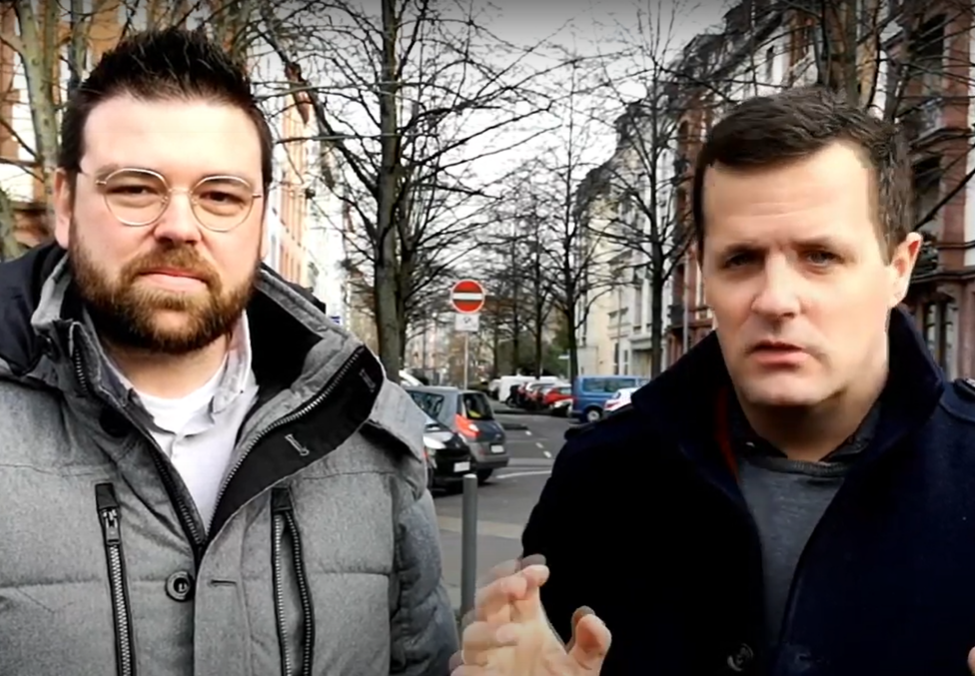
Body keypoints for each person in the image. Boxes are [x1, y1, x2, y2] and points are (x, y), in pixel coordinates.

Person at [455, 86, 975, 676]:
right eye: (741, 259)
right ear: (704, 271)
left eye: (821, 257)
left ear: (898, 268)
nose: (776, 299)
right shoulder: (600, 478)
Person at [0, 27, 456, 676]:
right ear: (67, 205)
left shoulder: (370, 433)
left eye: (220, 196)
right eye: (135, 188)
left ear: (260, 219)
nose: (180, 227)